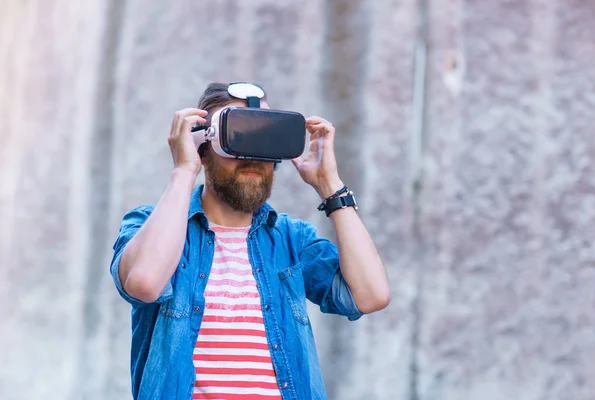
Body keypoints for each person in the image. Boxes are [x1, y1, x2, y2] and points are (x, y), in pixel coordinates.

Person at [110, 82, 391, 400]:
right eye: (238, 137)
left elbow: (371, 296)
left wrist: (330, 185)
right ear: (203, 147)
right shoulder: (149, 225)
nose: (252, 158)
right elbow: (144, 283)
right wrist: (183, 170)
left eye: (265, 139)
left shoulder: (291, 240)